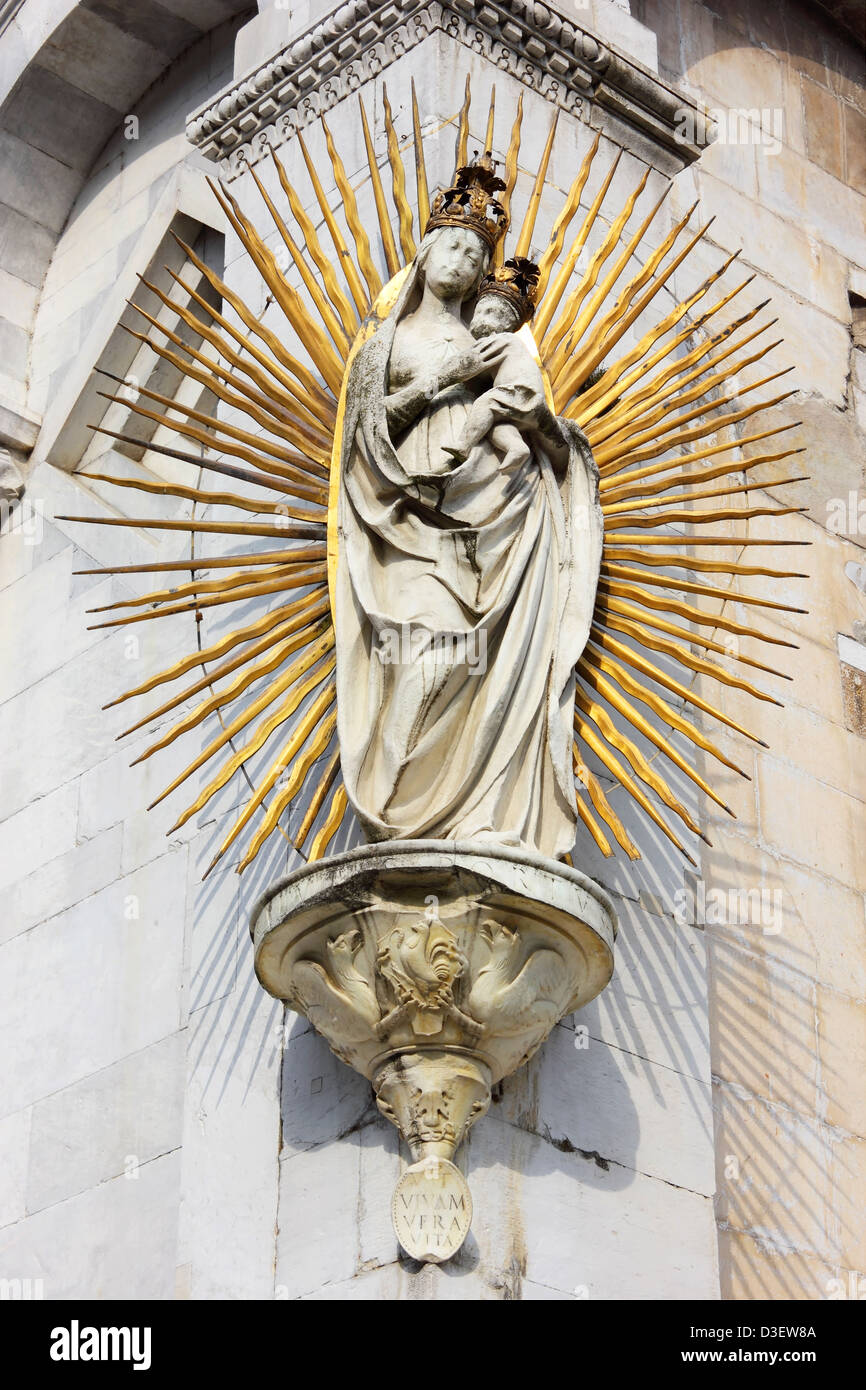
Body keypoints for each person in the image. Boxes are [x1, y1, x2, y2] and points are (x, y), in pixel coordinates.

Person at [333, 155, 604, 860]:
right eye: (452, 244)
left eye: (475, 252)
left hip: (506, 521)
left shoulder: (502, 340)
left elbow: (543, 428)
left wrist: (537, 421)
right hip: (410, 521)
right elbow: (367, 429)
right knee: (429, 651)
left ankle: (487, 812)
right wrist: (444, 379)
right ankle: (393, 810)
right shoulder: (387, 343)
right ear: (423, 252)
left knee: (492, 664)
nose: (461, 257)